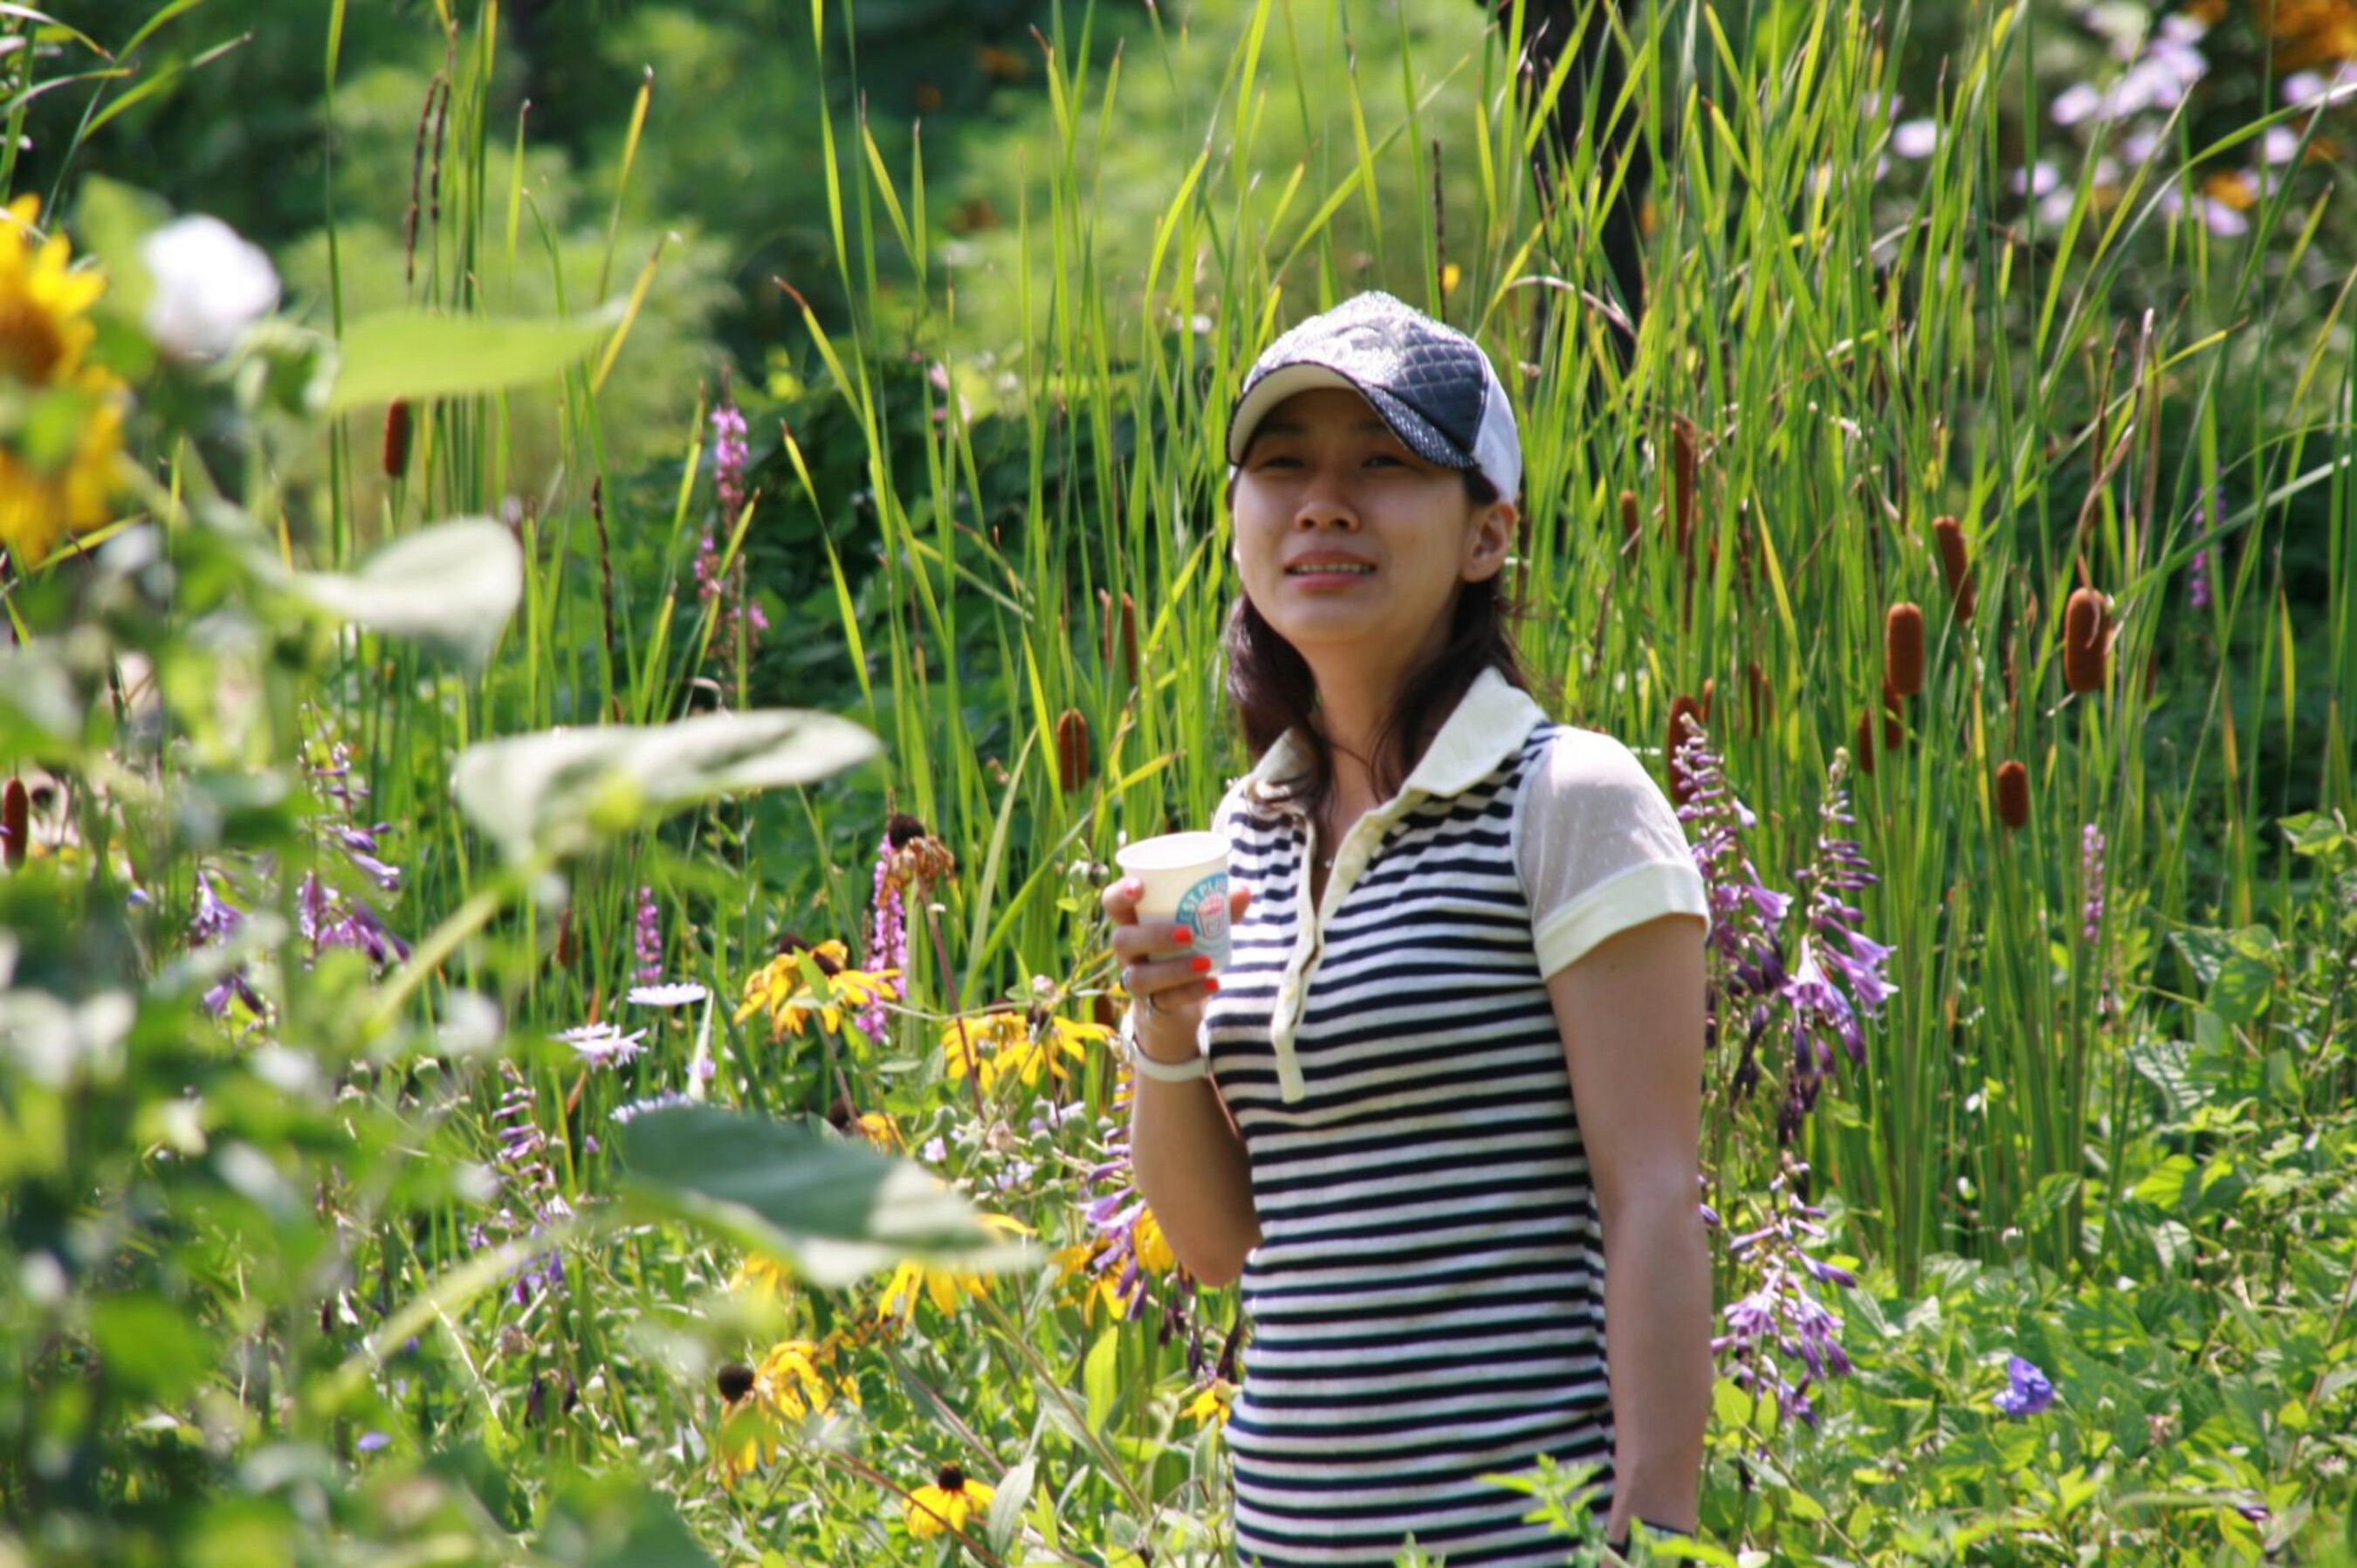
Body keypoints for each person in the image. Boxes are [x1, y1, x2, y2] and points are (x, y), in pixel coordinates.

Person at [1102, 292, 1713, 1565]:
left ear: (1488, 533)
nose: (1325, 504)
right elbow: (1217, 1246)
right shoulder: (1244, 831)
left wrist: (1653, 1536)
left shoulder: (1569, 801)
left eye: (1384, 464)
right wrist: (1164, 1030)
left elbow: (1652, 1194)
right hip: (1283, 1542)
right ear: (1237, 520)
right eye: (1284, 465)